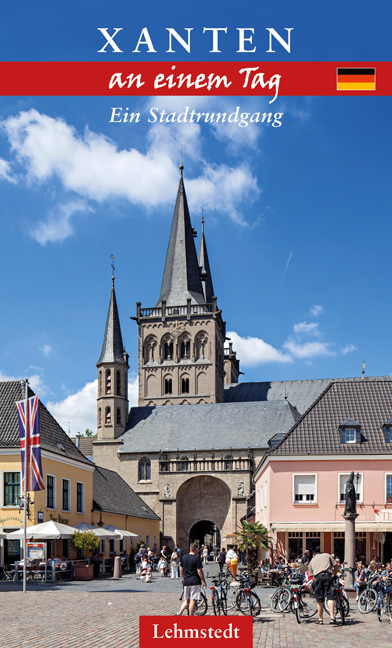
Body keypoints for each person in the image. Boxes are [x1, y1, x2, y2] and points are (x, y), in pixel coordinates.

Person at [307, 551, 339, 625]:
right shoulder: (327, 555)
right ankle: (332, 618)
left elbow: (310, 571)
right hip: (327, 575)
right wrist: (334, 574)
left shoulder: (313, 559)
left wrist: (314, 578)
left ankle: (320, 619)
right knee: (330, 597)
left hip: (318, 576)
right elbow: (336, 566)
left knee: (319, 599)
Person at [177, 542, 207, 616]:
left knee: (187, 600)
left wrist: (184, 578)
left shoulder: (184, 557)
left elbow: (181, 569)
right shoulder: (196, 558)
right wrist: (204, 582)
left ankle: (179, 612)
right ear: (196, 549)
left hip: (186, 581)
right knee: (193, 601)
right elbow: (199, 571)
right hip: (195, 581)